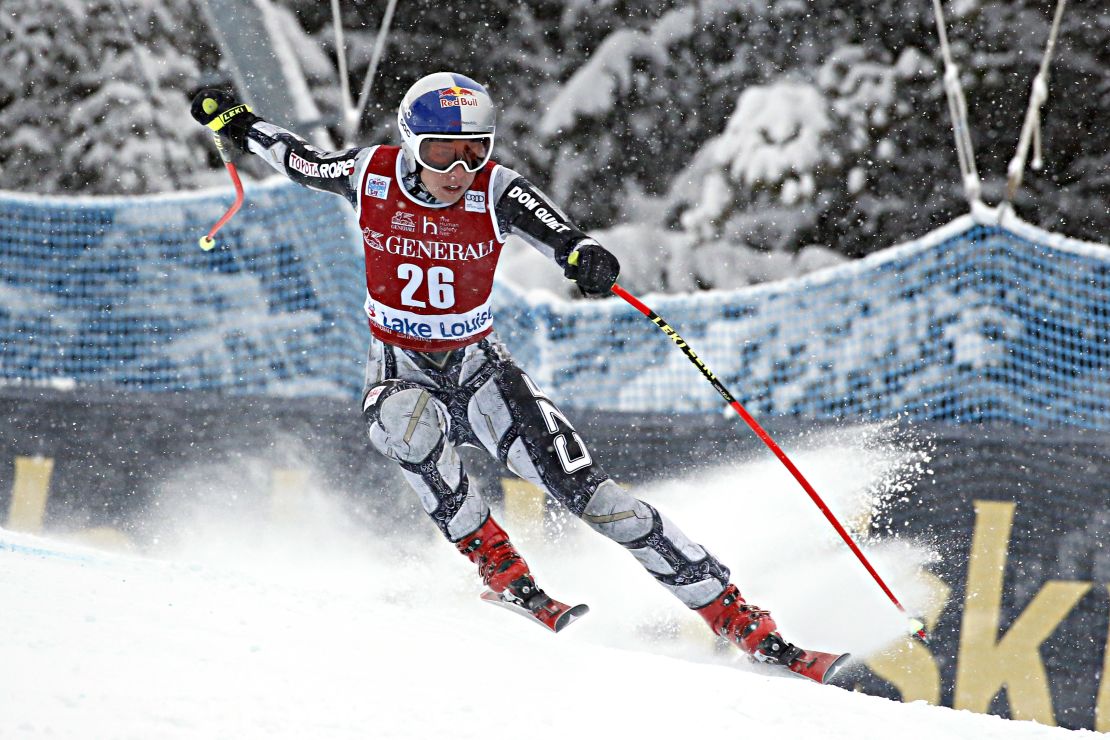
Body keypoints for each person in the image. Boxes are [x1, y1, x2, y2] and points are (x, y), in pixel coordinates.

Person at [189, 72, 811, 670]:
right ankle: (503, 571)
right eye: (442, 152)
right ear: (411, 142)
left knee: (595, 500)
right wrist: (239, 123)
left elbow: (560, 234)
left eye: (473, 152)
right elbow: (299, 159)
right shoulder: (370, 174)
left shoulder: (496, 188)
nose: (458, 171)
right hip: (401, 368)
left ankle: (739, 618)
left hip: (481, 370)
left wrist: (584, 256)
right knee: (403, 424)